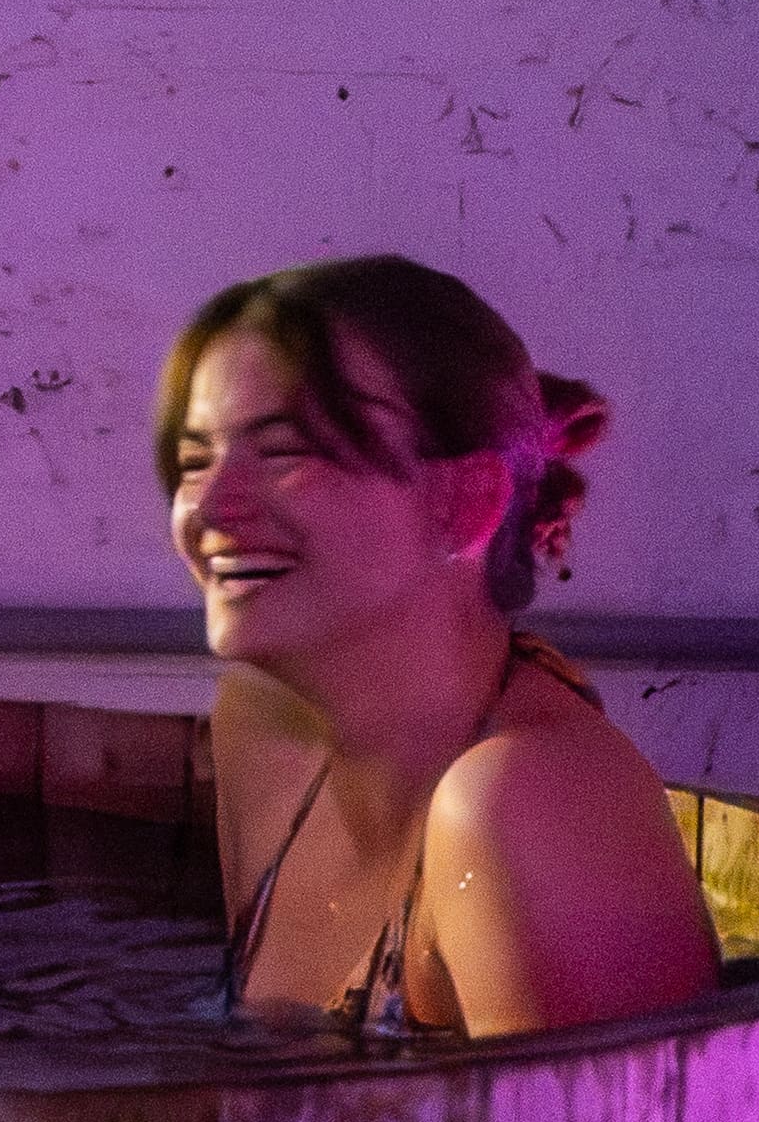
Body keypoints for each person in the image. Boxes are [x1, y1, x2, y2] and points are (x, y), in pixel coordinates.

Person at [162, 257, 717, 1036]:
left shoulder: (524, 803)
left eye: (285, 452)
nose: (209, 508)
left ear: (463, 502)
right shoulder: (266, 735)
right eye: (194, 460)